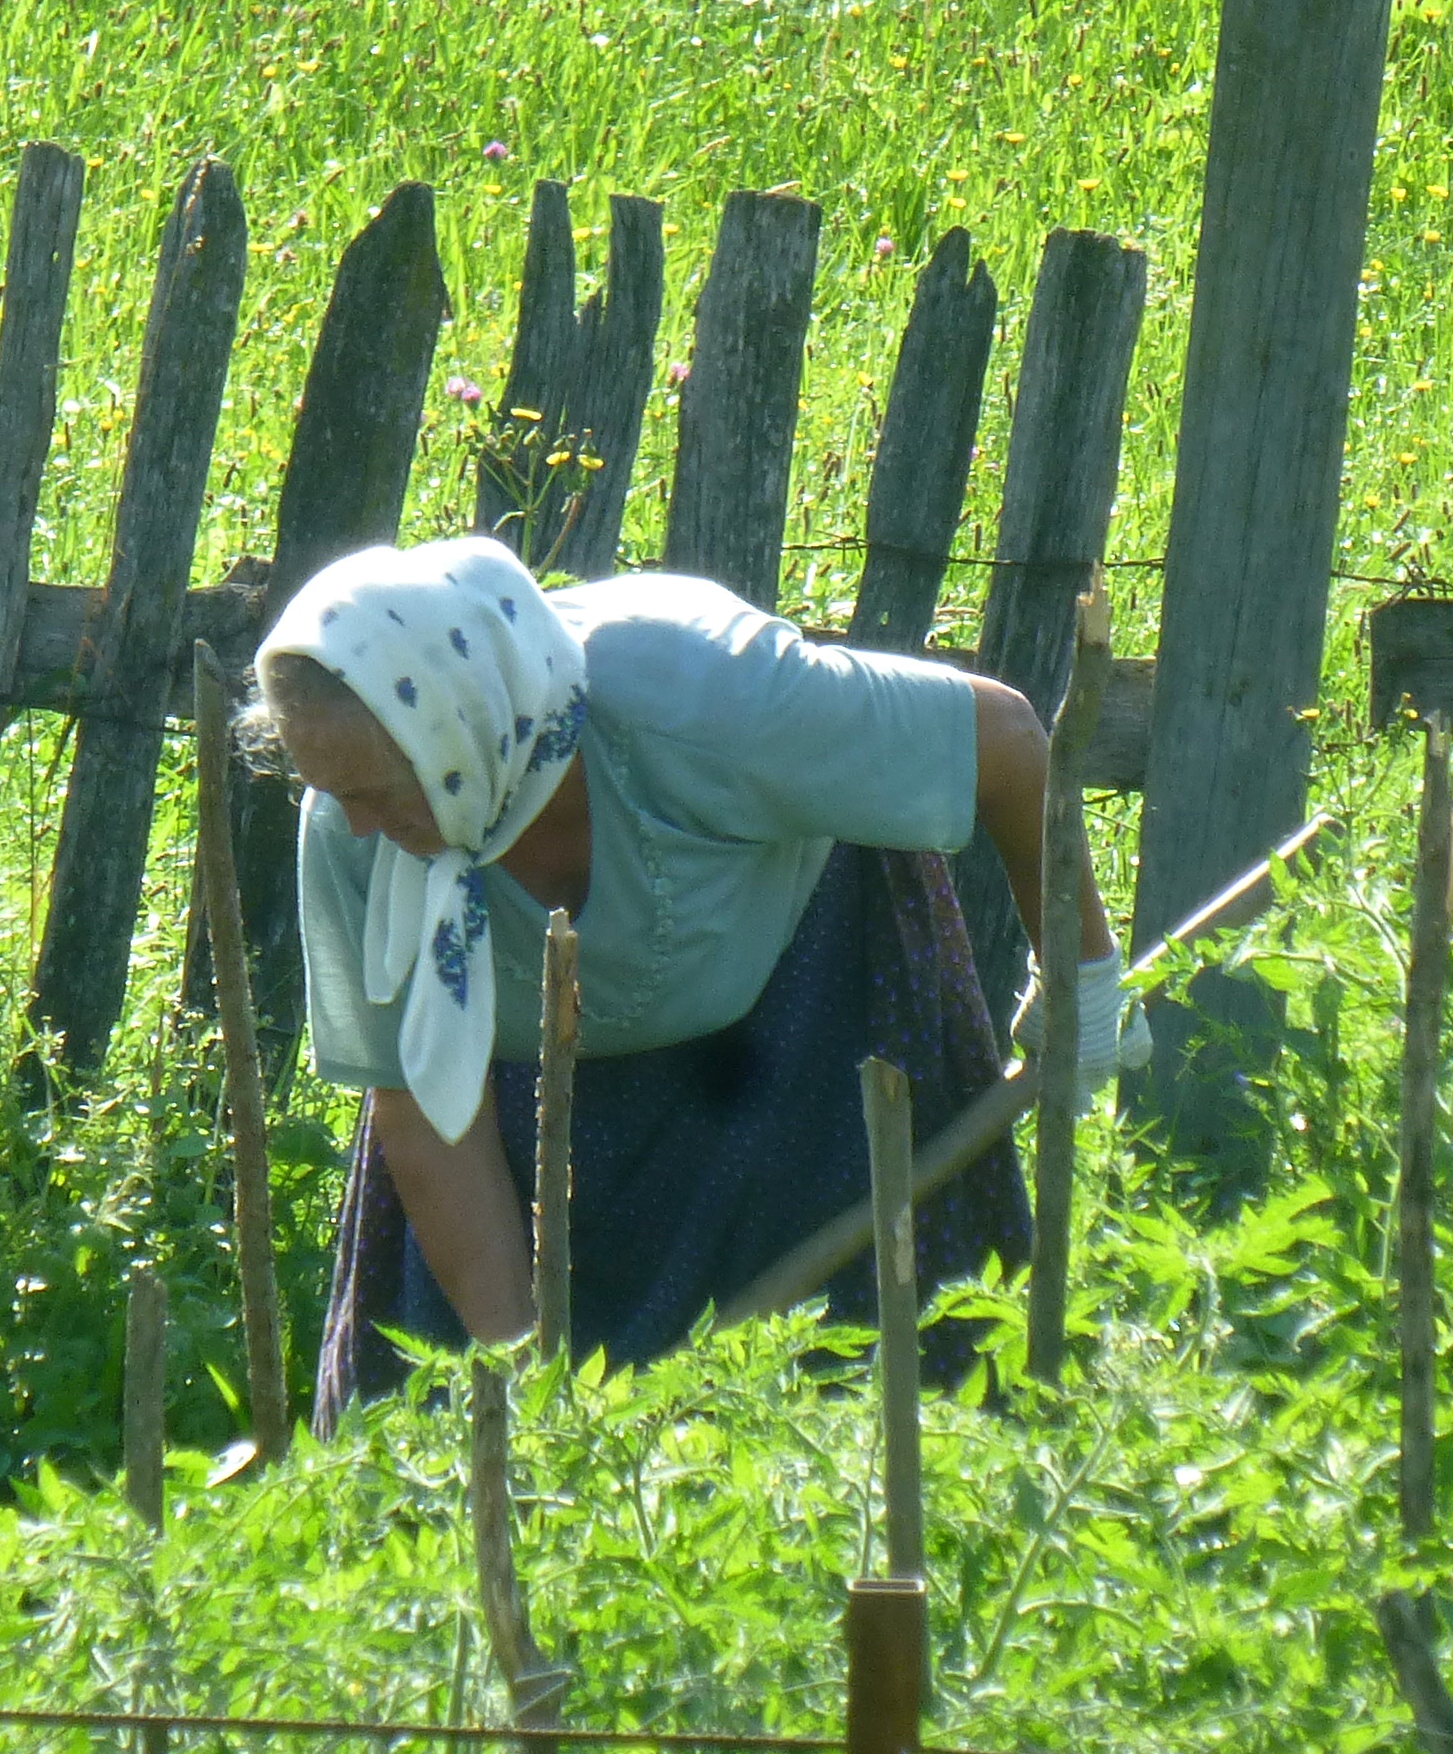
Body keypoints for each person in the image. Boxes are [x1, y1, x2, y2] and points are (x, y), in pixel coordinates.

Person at [240, 534, 1141, 1421]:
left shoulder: (702, 695)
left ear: (451, 731)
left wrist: (1081, 977)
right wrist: (523, 1372)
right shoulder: (353, 832)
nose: (355, 825)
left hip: (796, 1036)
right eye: (333, 791)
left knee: (841, 1407)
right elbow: (423, 1113)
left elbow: (1008, 741)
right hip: (530, 1122)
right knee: (480, 1440)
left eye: (373, 790)